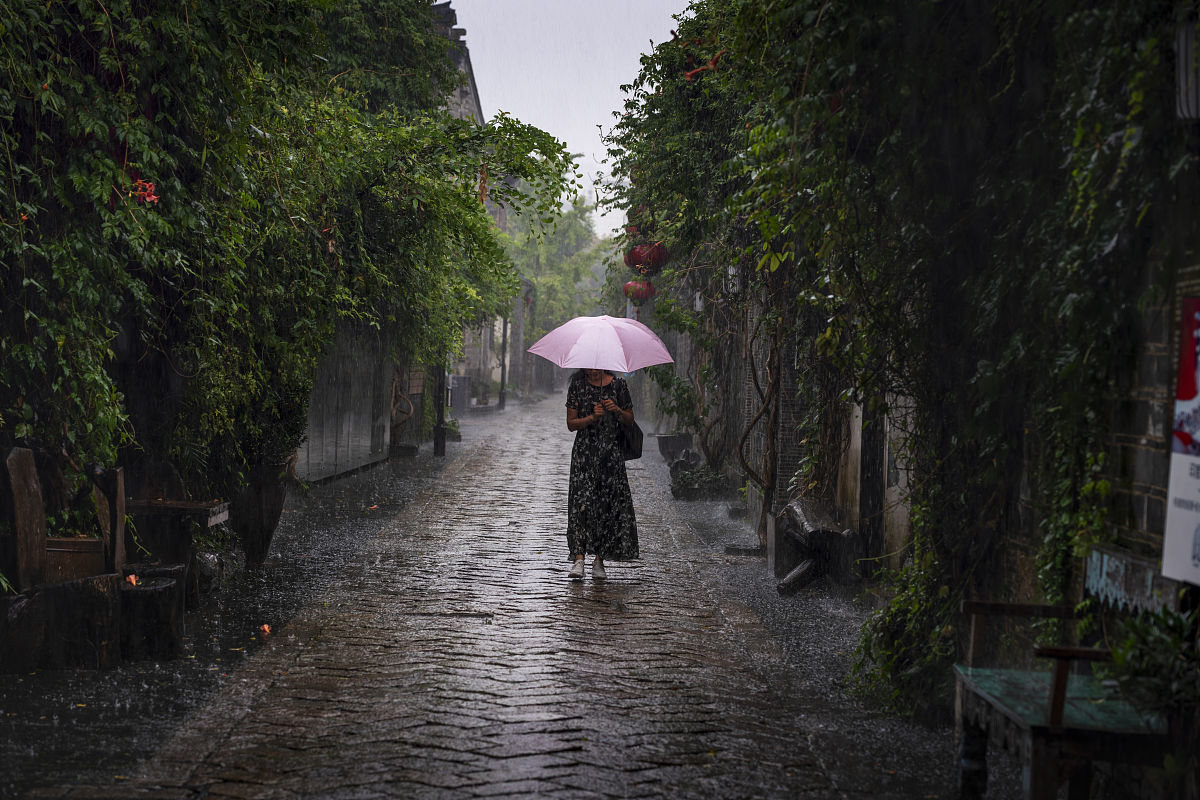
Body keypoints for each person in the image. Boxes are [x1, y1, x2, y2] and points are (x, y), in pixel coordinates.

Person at [564, 367, 639, 579]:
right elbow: (571, 424)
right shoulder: (577, 386)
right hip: (584, 454)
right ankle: (579, 559)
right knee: (581, 504)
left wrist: (616, 410)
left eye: (596, 367)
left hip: (610, 454)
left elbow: (630, 419)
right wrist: (591, 417)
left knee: (606, 505)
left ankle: (599, 560)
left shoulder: (618, 385)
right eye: (589, 366)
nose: (593, 370)